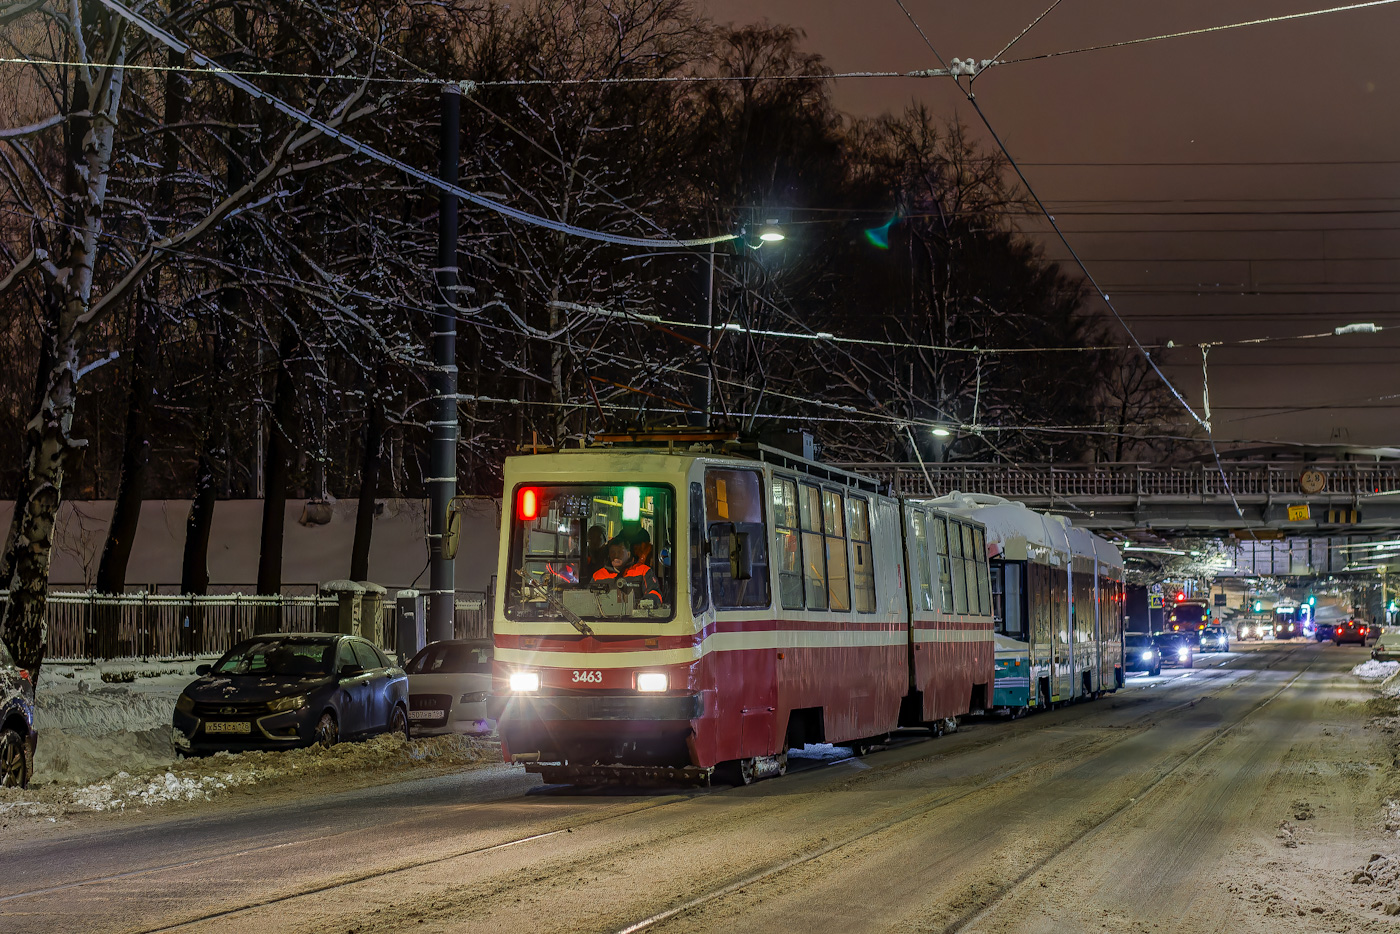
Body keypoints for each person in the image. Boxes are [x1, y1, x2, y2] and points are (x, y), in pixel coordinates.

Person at [623, 530, 664, 605]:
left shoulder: (654, 554)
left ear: (644, 544)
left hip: (653, 583)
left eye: (638, 544)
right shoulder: (632, 559)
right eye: (634, 545)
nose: (635, 548)